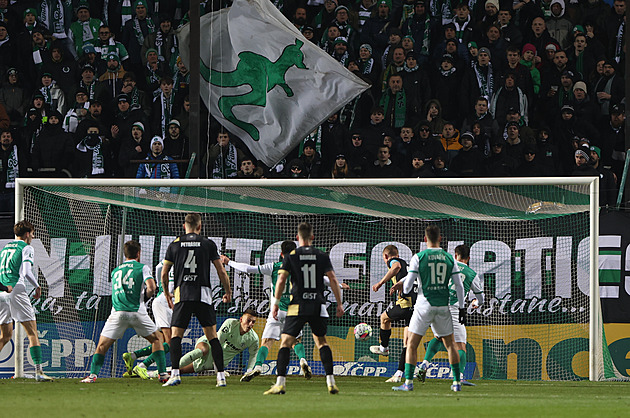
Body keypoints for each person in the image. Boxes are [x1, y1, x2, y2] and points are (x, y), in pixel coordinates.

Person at [264, 222, 344, 395]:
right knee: (322, 342)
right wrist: (339, 303)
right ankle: (331, 382)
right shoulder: (321, 255)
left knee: (285, 343)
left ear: (297, 237)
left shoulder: (291, 256)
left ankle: (280, 384)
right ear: (312, 237)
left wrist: (276, 302)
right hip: (318, 305)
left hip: (297, 306)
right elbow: (333, 280)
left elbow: (281, 280)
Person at [221, 241, 312, 381]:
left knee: (267, 342)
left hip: (277, 312)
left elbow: (248, 269)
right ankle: (303, 360)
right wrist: (338, 285)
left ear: (281, 254)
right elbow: (321, 279)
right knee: (295, 341)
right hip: (293, 312)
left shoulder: (274, 267)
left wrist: (229, 262)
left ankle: (258, 366)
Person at [390, 225, 465, 392]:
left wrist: (405, 287)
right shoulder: (448, 258)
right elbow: (459, 285)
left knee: (411, 344)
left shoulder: (419, 257)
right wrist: (461, 308)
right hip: (443, 306)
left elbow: (408, 286)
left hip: (423, 306)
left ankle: (408, 383)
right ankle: (456, 383)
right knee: (451, 344)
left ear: (425, 239)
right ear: (440, 239)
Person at [161, 213, 232, 387]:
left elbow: (163, 273)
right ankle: (221, 377)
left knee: (176, 335)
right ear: (200, 226)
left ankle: (175, 374)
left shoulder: (174, 245)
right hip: (203, 295)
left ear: (184, 226)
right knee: (212, 337)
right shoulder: (208, 243)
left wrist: (166, 293)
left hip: (182, 294)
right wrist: (228, 291)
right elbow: (221, 271)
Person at [81, 240, 166, 383]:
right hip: (137, 313)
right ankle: (163, 375)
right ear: (138, 253)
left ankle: (92, 376)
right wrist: (143, 299)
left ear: (124, 254)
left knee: (102, 345)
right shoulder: (142, 267)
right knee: (157, 339)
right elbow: (151, 287)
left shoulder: (116, 270)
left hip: (118, 313)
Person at [418, 244, 484, 386]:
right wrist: (476, 303)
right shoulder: (471, 274)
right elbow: (481, 298)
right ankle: (458, 377)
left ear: (455, 255)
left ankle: (424, 364)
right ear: (469, 258)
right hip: (452, 310)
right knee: (461, 346)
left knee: (439, 337)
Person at [0, 221, 54, 382]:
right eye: (32, 233)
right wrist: (37, 286)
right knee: (32, 333)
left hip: (2, 291)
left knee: (5, 336)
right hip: (16, 289)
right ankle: (39, 371)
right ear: (27, 234)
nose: (33, 236)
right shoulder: (26, 247)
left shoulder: (5, 248)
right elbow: (26, 271)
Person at [370, 245, 415, 383]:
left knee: (384, 318)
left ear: (385, 256)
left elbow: (395, 267)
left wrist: (380, 282)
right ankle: (399, 374)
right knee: (407, 343)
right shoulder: (408, 265)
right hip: (416, 307)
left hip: (405, 304)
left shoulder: (394, 262)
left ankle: (384, 348)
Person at [121, 261, 174, 379]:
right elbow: (160, 267)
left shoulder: (177, 261)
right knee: (170, 342)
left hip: (168, 303)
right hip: (165, 304)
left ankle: (133, 356)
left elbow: (159, 267)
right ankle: (142, 366)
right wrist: (162, 289)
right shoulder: (176, 259)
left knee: (162, 340)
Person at [171, 309, 259, 377]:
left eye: (253, 322)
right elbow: (217, 343)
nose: (250, 324)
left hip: (220, 361)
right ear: (241, 319)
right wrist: (219, 369)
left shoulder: (253, 339)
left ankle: (160, 373)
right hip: (210, 345)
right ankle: (173, 367)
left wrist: (249, 371)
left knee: (181, 371)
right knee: (203, 350)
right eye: (248, 320)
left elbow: (253, 355)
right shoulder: (230, 324)